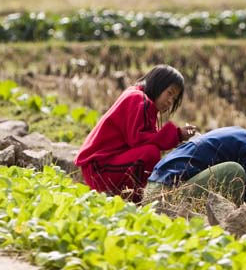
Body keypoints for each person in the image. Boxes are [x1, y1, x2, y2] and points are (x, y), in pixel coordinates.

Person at [74, 64, 198, 201]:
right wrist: (177, 134)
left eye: (174, 99)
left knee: (151, 151)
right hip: (100, 170)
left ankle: (130, 195)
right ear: (158, 84)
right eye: (169, 93)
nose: (170, 101)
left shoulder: (139, 97)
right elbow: (139, 140)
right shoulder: (139, 100)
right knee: (150, 152)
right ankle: (135, 198)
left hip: (98, 167)